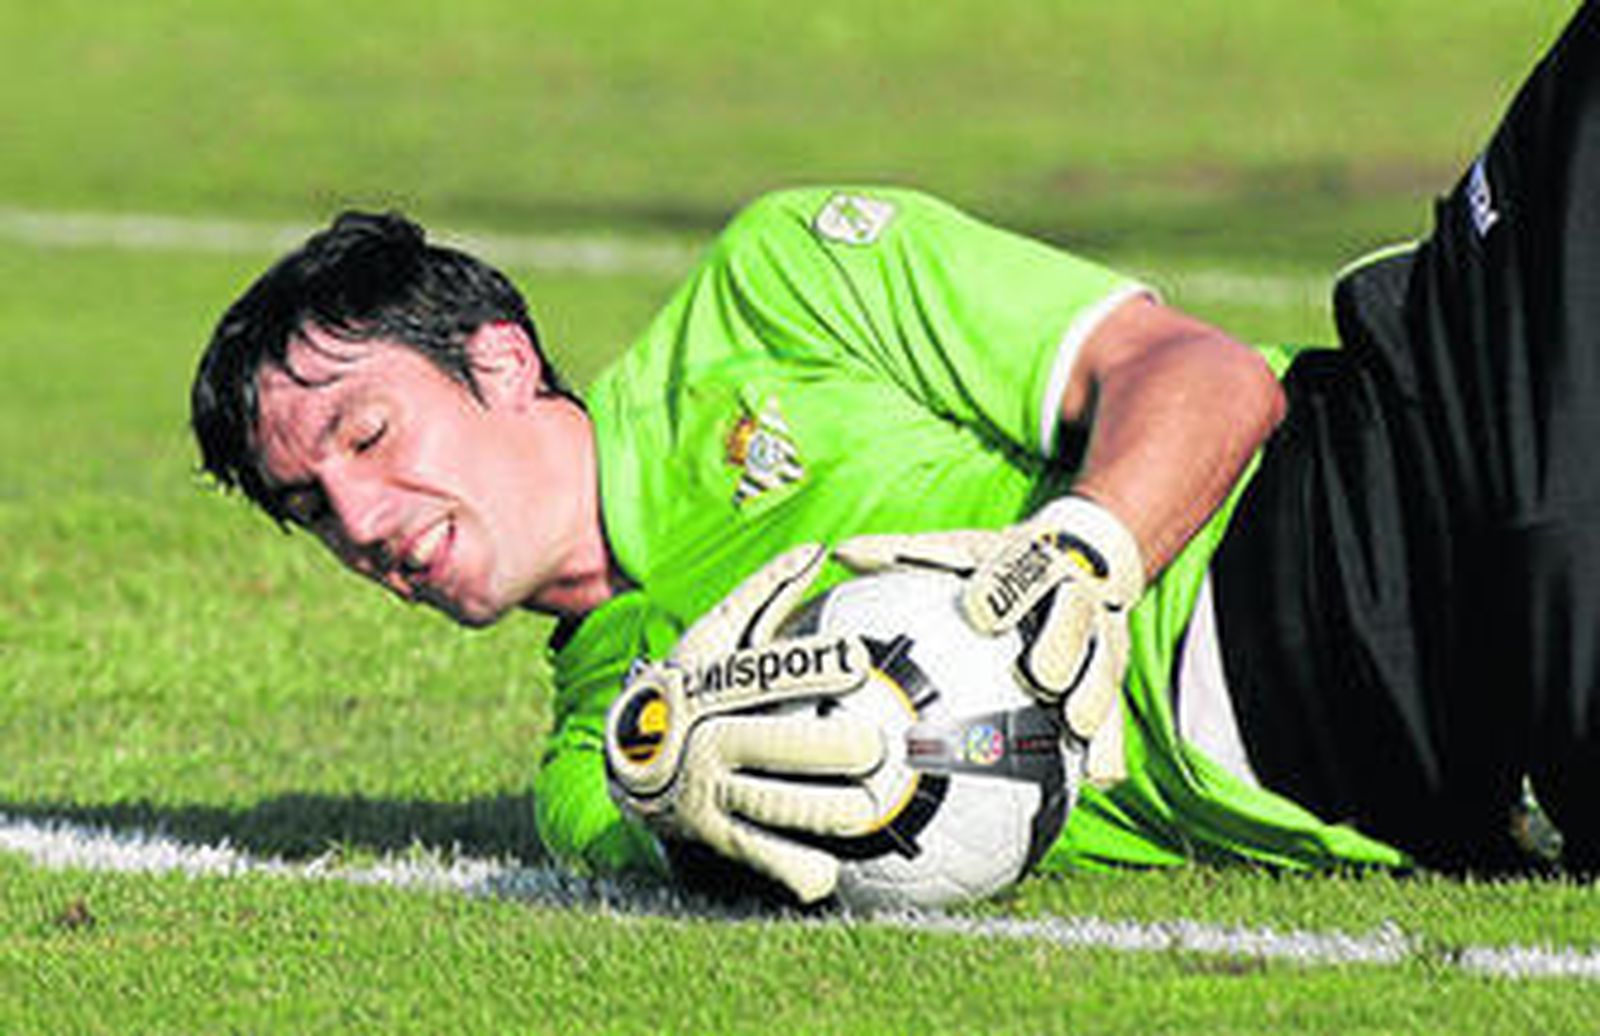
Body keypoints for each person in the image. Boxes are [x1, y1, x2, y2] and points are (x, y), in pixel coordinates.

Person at [191, 2, 1600, 901]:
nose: (360, 519)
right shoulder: (609, 754)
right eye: (314, 507)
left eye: (367, 433)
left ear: (498, 359)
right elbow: (710, 838)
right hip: (1440, 746)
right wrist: (688, 788)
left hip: (1407, 458)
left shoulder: (776, 288)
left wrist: (1075, 565)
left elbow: (1201, 379)